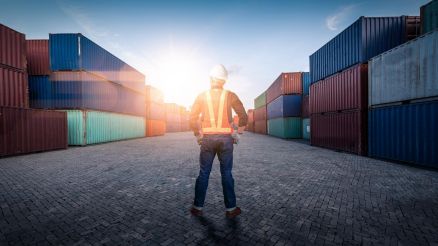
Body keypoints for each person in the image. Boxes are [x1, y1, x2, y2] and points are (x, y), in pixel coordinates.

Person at [189, 64, 248, 218]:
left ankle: (197, 207)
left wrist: (198, 135)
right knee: (227, 173)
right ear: (224, 80)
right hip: (226, 141)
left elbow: (192, 117)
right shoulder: (230, 95)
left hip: (207, 140)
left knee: (203, 173)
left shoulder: (202, 95)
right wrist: (238, 134)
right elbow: (244, 116)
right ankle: (231, 209)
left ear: (211, 79)